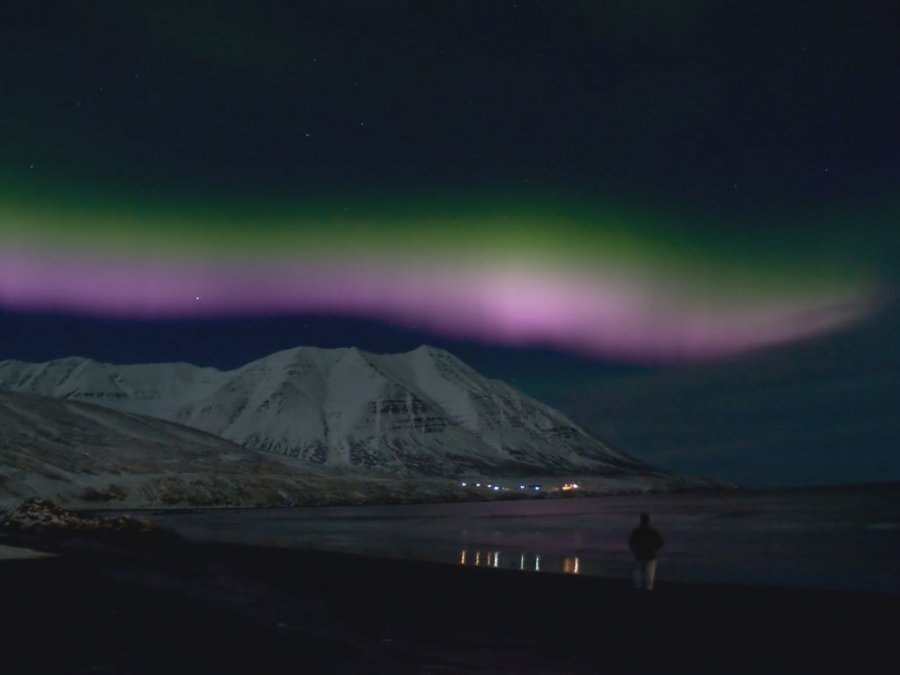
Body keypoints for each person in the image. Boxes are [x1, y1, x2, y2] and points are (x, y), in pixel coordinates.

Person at [628, 512, 664, 590]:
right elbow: (660, 543)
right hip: (650, 556)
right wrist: (653, 549)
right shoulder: (653, 531)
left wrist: (636, 549)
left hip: (639, 556)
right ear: (648, 521)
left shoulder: (637, 531)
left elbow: (630, 543)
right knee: (649, 580)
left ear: (641, 520)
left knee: (638, 580)